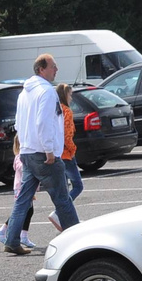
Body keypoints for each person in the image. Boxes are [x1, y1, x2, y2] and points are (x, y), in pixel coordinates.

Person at [2, 53, 79, 257]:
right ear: (41, 69)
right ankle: (79, 238)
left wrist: (26, 146)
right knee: (62, 198)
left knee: (23, 199)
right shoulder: (47, 92)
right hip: (43, 154)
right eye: (53, 66)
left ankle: (11, 240)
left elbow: (19, 124)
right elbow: (44, 123)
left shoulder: (24, 93)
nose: (57, 70)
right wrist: (49, 151)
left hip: (27, 152)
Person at [0, 136, 37, 249]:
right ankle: (3, 230)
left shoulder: (23, 156)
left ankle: (23, 236)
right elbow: (21, 168)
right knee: (21, 210)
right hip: (21, 188)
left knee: (28, 211)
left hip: (25, 188)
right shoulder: (20, 156)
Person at [57, 83, 84, 212]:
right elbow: (67, 135)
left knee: (63, 187)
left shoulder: (56, 110)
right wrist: (73, 149)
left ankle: (63, 214)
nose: (71, 98)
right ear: (64, 95)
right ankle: (60, 211)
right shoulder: (66, 111)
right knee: (78, 186)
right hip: (66, 154)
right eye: (70, 95)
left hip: (57, 153)